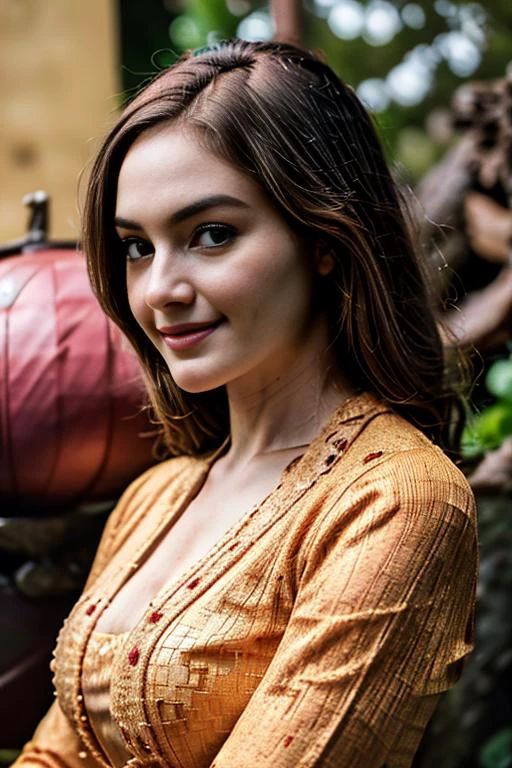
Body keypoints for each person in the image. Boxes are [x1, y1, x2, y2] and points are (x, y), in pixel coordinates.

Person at [14, 40, 478, 768]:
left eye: (211, 235)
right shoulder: (155, 496)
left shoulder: (394, 501)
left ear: (323, 238)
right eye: (137, 246)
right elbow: (56, 754)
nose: (160, 289)